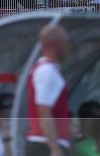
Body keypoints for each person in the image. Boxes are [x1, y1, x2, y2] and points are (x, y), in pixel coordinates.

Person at [26, 24, 72, 155]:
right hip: (44, 144)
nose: (67, 47)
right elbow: (44, 111)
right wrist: (54, 148)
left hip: (47, 142)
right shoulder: (47, 71)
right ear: (55, 45)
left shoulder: (48, 69)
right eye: (65, 43)